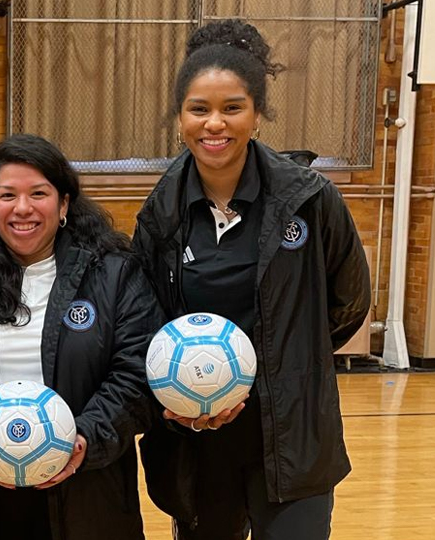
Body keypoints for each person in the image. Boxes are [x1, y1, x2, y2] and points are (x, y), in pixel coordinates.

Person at [133, 20, 371, 540]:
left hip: (293, 437)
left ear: (257, 115)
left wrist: (289, 361)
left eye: (232, 108)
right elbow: (146, 320)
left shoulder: (310, 198)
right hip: (201, 440)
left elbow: (349, 299)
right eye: (199, 109)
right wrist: (185, 400)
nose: (214, 124)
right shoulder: (160, 215)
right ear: (180, 118)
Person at [0, 133, 164, 540]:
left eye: (39, 193)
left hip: (89, 492)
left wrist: (82, 439)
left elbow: (136, 372)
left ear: (63, 204)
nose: (22, 208)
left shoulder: (114, 275)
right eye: (8, 195)